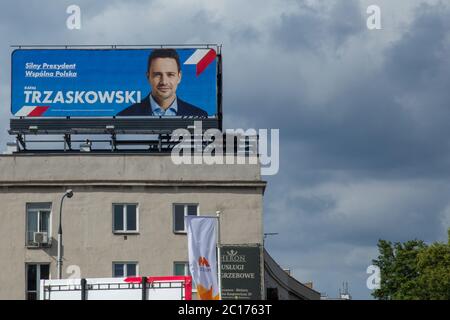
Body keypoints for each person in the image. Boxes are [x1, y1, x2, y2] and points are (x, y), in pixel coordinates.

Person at [117, 49, 208, 117]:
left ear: (179, 77)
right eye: (157, 75)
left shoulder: (199, 116)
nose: (164, 82)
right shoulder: (125, 116)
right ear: (148, 77)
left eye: (170, 74)